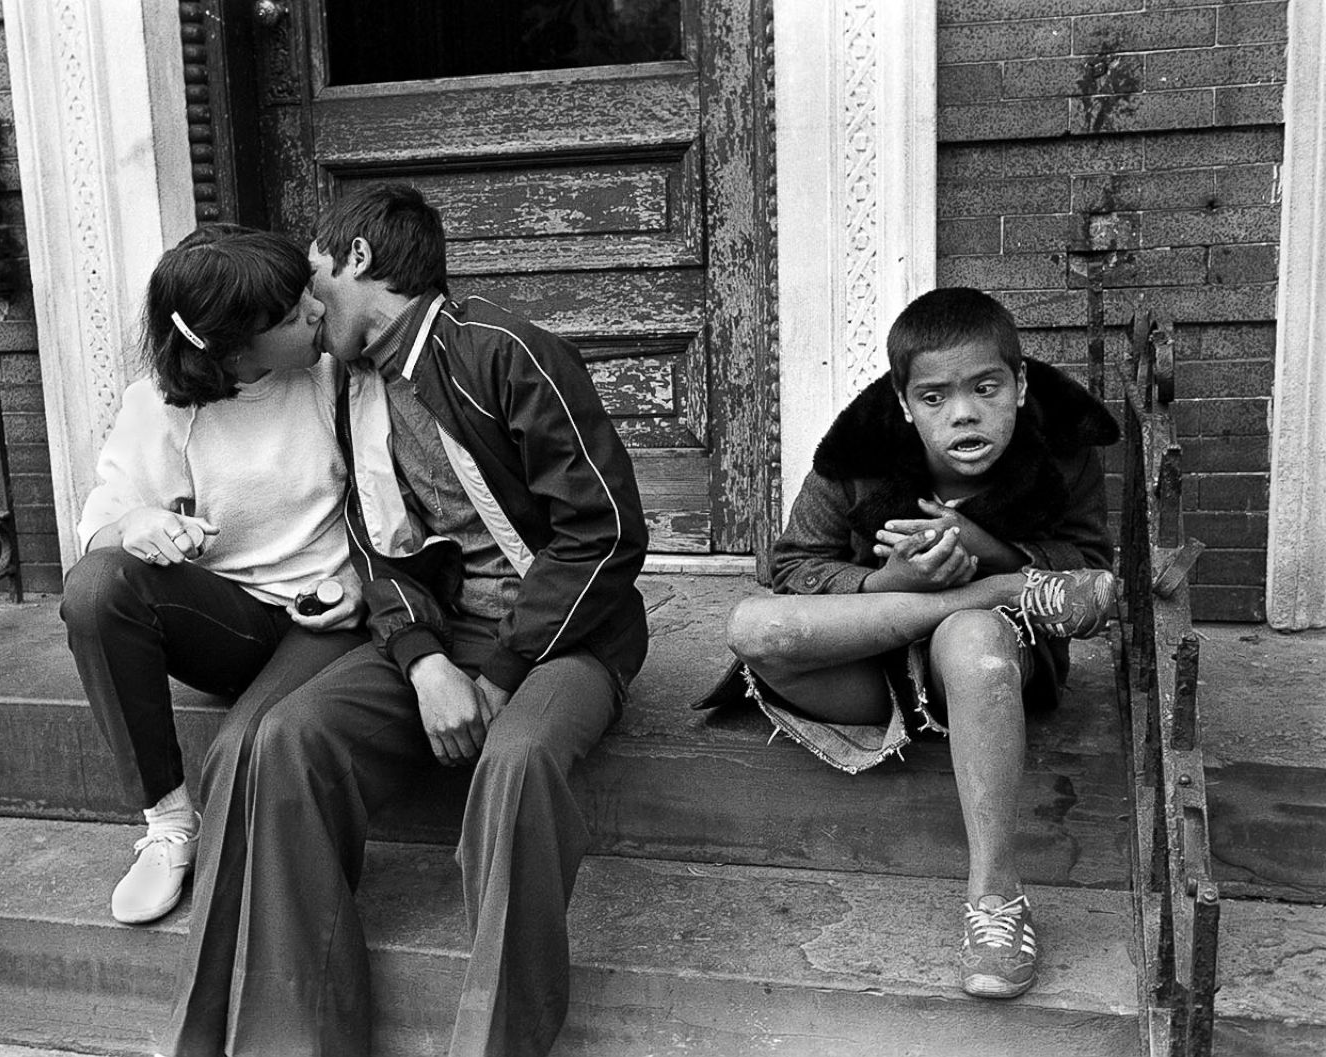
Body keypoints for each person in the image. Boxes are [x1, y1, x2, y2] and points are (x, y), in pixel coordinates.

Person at [160, 182, 649, 1057]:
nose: (307, 309)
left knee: (519, 758)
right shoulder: (354, 384)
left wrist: (499, 674)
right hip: (443, 630)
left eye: (314, 279)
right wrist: (425, 662)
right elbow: (375, 541)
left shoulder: (504, 350)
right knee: (289, 737)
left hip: (569, 635)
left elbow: (606, 532)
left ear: (358, 259)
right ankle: (297, 1041)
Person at [717, 287, 1119, 1000]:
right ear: (903, 404)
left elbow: (1090, 577)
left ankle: (997, 900)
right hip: (875, 669)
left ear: (1020, 386)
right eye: (934, 397)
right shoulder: (857, 453)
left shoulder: (1062, 448)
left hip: (991, 662)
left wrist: (986, 544)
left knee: (972, 638)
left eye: (985, 388)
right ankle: (988, 593)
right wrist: (892, 581)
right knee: (752, 626)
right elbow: (791, 567)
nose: (962, 412)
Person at [60, 226, 364, 926]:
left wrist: (366, 585)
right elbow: (96, 536)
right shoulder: (161, 410)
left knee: (249, 746)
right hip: (234, 622)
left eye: (303, 296)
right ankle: (168, 825)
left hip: (330, 618)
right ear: (227, 347)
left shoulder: (333, 372)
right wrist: (136, 524)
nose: (315, 311)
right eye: (289, 317)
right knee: (97, 587)